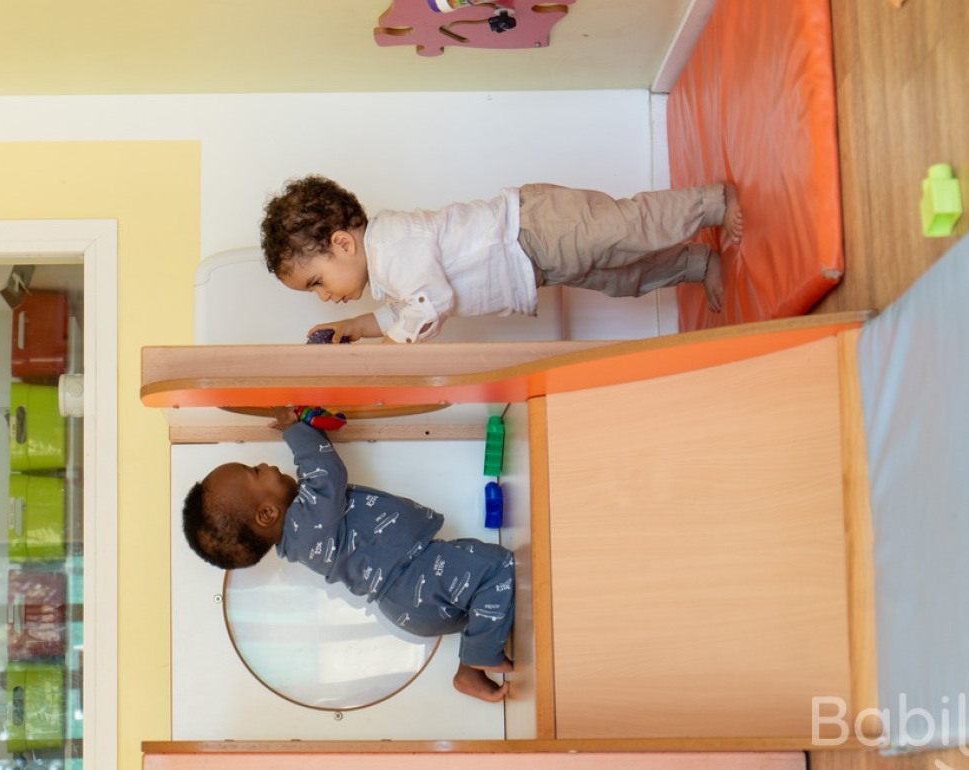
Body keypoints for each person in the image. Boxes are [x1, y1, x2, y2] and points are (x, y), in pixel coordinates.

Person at [182, 407, 516, 702]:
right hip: (415, 575)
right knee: (496, 567)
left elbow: (320, 477)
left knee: (478, 596)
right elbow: (327, 473)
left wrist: (315, 430)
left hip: (409, 598)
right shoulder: (306, 522)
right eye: (256, 471)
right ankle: (480, 655)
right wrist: (294, 429)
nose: (267, 464)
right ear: (267, 514)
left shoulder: (302, 536)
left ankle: (469, 670)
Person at [260, 174, 744, 343]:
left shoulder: (391, 244)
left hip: (534, 226)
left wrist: (392, 349)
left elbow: (429, 304)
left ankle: (711, 202)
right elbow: (403, 309)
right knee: (621, 278)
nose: (324, 297)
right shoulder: (390, 274)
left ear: (343, 244)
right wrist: (358, 329)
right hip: (536, 264)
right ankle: (696, 265)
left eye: (317, 282)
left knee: (627, 227)